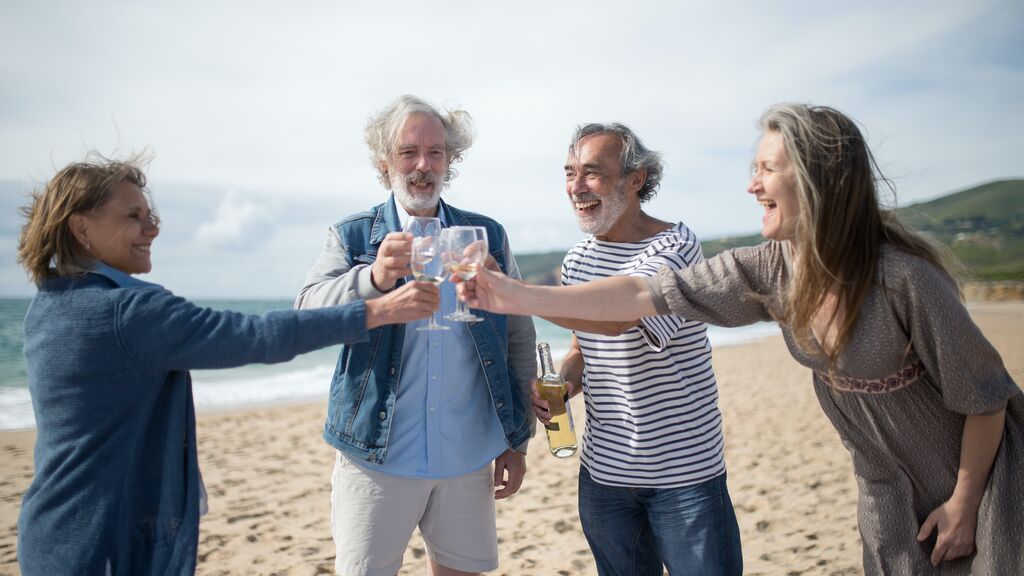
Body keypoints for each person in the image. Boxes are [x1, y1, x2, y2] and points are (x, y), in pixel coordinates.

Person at [459, 104, 1024, 575]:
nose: (750, 184)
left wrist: (966, 499)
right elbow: (615, 315)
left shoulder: (904, 280)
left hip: (972, 483)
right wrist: (539, 334)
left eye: (765, 169)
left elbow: (986, 394)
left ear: (819, 178)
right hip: (877, 486)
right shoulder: (771, 269)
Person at [14, 156, 439, 576]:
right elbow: (256, 336)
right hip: (105, 541)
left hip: (49, 530)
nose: (153, 227)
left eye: (151, 213)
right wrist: (377, 311)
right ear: (81, 227)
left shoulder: (49, 304)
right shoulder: (126, 312)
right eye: (133, 215)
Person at [294, 95, 536, 576]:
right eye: (409, 153)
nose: (423, 166)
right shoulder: (354, 235)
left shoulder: (485, 233)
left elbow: (518, 334)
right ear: (384, 163)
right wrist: (375, 279)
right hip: (376, 457)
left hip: (468, 458)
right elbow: (304, 313)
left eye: (436, 153)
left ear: (450, 160)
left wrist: (518, 440)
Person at [538, 123, 741, 574]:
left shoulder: (677, 246)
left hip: (684, 477)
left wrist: (510, 294)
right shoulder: (578, 261)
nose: (576, 187)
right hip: (604, 476)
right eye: (569, 173)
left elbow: (617, 317)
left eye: (592, 173)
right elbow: (583, 348)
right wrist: (562, 385)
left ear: (636, 179)